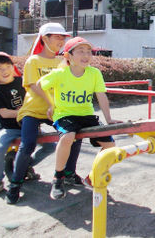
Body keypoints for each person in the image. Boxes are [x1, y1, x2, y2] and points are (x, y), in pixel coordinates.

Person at [5, 23, 83, 205]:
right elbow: (34, 86)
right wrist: (51, 103)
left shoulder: (62, 62)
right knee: (28, 143)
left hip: (56, 110)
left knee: (76, 135)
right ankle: (15, 183)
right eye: (57, 37)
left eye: (63, 37)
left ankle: (68, 173)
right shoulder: (33, 61)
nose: (61, 40)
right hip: (33, 110)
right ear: (45, 39)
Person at [35, 36, 119, 200]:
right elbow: (39, 85)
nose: (86, 55)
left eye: (88, 52)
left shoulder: (94, 73)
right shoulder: (60, 73)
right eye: (80, 51)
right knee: (67, 137)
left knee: (110, 146)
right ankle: (58, 178)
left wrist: (109, 120)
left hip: (86, 115)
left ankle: (93, 176)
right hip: (65, 114)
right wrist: (51, 104)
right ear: (68, 56)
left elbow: (101, 96)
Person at [0, 52, 26, 199]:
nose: (5, 70)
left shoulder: (23, 82)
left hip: (29, 126)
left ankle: (24, 166)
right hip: (9, 129)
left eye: (8, 66)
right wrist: (25, 111)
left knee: (49, 147)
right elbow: (5, 113)